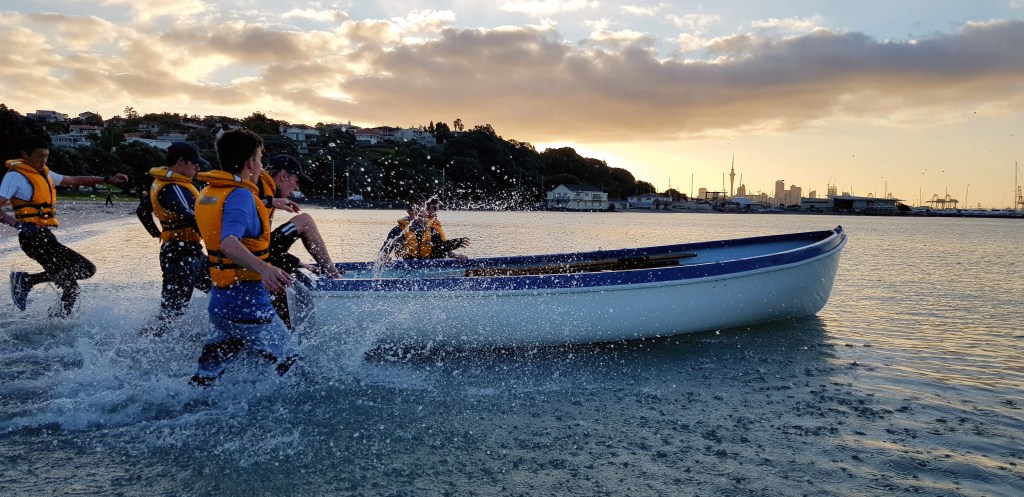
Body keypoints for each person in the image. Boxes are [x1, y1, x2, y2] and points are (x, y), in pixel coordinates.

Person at [188, 129, 298, 387]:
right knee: (294, 366)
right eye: (260, 159)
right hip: (247, 304)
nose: (261, 165)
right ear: (250, 162)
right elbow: (228, 243)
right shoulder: (241, 195)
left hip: (220, 303)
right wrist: (265, 270)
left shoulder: (210, 192)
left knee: (206, 379)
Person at [1, 136, 128, 316]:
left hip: (45, 236)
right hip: (32, 238)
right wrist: (16, 223)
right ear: (25, 155)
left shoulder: (44, 174)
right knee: (79, 278)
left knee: (78, 280)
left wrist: (107, 179)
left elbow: (75, 180)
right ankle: (29, 283)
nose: (43, 160)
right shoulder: (15, 176)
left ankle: (52, 315)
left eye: (46, 156)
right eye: (39, 156)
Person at [256, 154, 342, 326]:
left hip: (258, 254)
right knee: (305, 221)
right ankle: (335, 277)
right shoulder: (260, 186)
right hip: (253, 256)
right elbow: (240, 203)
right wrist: (269, 201)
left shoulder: (266, 188)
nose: (295, 188)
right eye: (295, 181)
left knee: (284, 273)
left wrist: (297, 264)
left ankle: (284, 327)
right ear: (283, 176)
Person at [140, 142, 213, 335]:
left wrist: (158, 233)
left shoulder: (163, 182)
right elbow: (193, 216)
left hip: (189, 252)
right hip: (180, 257)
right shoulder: (173, 187)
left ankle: (223, 334)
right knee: (172, 313)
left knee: (221, 290)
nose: (198, 168)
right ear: (181, 162)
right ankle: (142, 346)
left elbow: (142, 211)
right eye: (194, 164)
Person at [379, 195, 470, 262]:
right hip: (406, 265)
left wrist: (456, 250)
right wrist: (384, 257)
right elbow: (383, 252)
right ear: (409, 212)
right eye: (417, 211)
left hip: (426, 266)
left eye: (423, 210)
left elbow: (441, 248)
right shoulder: (398, 231)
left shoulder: (432, 231)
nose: (421, 214)